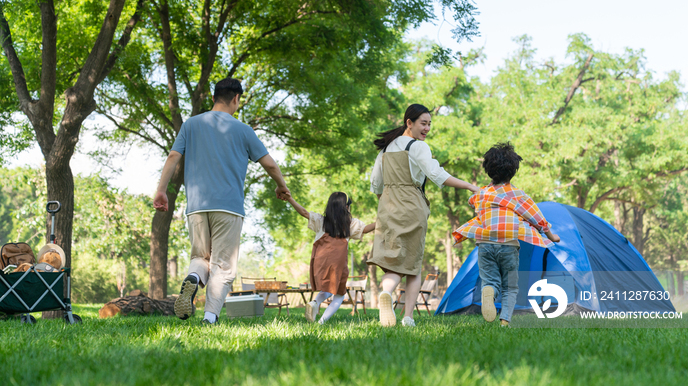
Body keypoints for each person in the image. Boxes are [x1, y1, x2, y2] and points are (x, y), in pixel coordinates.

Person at [153, 78, 290, 325]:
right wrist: (281, 186)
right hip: (228, 207)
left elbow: (173, 156)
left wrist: (161, 191)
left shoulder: (191, 125)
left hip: (196, 206)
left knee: (200, 258)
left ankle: (193, 277)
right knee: (223, 267)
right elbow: (269, 163)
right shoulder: (244, 130)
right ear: (236, 98)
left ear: (214, 96)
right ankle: (209, 317)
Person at [368, 104, 481, 327]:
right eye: (423, 123)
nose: (427, 128)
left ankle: (387, 293)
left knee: (392, 262)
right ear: (408, 122)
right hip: (411, 205)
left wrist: (388, 201)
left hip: (387, 207)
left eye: (429, 124)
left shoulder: (384, 150)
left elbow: (375, 184)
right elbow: (437, 174)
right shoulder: (418, 147)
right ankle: (408, 318)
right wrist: (470, 186)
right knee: (412, 263)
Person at [452, 142, 560, 327]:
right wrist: (551, 235)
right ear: (513, 171)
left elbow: (472, 202)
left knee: (490, 280)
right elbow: (536, 216)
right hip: (508, 245)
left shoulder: (482, 195)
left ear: (488, 170)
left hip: (485, 245)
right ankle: (504, 322)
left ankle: (488, 291)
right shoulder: (517, 195)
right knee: (510, 286)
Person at [284, 192, 375, 324]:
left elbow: (304, 212)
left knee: (329, 287)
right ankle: (322, 322)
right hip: (337, 263)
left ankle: (315, 302)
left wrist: (290, 199)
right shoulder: (349, 224)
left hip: (320, 260)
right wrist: (382, 221)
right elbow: (366, 229)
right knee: (339, 294)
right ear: (346, 207)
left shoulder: (321, 221)